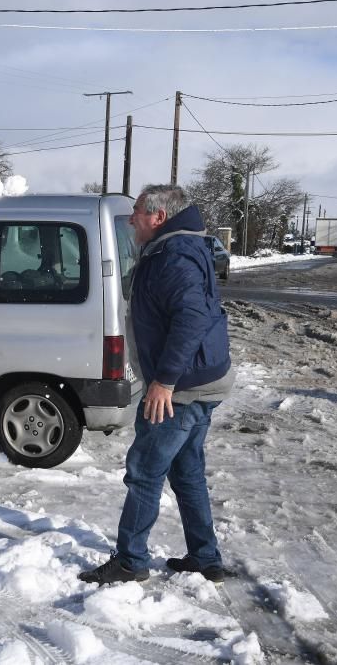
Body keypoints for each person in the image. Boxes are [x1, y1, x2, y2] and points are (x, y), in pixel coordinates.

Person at [78, 184, 235, 585]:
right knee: (187, 472)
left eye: (138, 213)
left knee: (145, 471)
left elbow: (192, 318)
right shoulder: (182, 248)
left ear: (159, 217)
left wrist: (164, 382)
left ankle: (130, 561)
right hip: (203, 379)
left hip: (180, 389)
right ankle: (205, 557)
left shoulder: (174, 256)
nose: (132, 220)